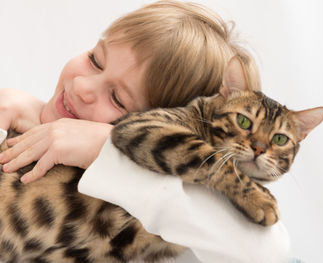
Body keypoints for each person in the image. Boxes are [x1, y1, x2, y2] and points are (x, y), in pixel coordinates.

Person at [0, 1, 290, 262]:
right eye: (95, 60)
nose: (81, 87)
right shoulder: (14, 127)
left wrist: (107, 152)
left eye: (118, 99)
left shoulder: (172, 224)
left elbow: (267, 253)